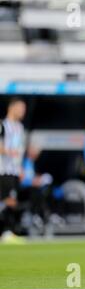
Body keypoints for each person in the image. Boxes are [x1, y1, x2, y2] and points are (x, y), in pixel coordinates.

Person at [0, 98, 27, 244]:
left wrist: (21, 168)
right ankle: (6, 232)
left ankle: (8, 232)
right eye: (21, 108)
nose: (23, 111)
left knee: (12, 201)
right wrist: (9, 152)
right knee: (8, 201)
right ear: (12, 108)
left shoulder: (20, 128)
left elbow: (20, 151)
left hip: (15, 171)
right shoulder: (3, 125)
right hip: (3, 170)